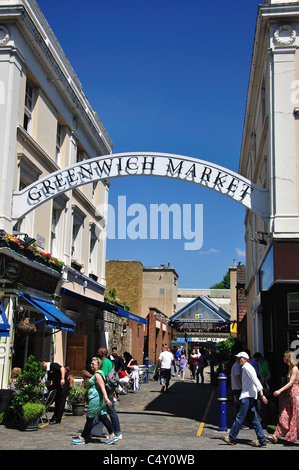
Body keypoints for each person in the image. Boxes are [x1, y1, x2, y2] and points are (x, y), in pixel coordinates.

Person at [221, 351, 268, 447]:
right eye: (238, 358)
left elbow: (256, 380)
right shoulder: (246, 367)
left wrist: (262, 395)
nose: (239, 360)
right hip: (249, 396)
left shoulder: (247, 367)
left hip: (246, 396)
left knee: (239, 417)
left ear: (246, 359)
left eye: (240, 358)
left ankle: (231, 438)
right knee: (255, 419)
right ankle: (262, 440)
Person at [72, 357, 117, 445]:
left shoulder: (97, 374)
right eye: (91, 363)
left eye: (93, 364)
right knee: (103, 417)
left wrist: (107, 398)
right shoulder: (97, 374)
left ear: (98, 365)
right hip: (98, 399)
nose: (91, 365)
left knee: (90, 418)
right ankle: (112, 434)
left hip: (96, 399)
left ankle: (85, 437)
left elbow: (102, 387)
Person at [267, 350, 299, 444]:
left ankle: (292, 435)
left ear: (288, 358)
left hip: (295, 395)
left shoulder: (295, 369)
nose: (283, 358)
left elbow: (292, 382)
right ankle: (275, 435)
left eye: (284, 357)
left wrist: (280, 390)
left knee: (295, 416)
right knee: (284, 415)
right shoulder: (290, 368)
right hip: (290, 395)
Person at [97, 347, 122, 440]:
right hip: (109, 389)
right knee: (108, 410)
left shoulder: (105, 362)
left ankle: (117, 431)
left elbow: (102, 376)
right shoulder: (108, 361)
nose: (97, 352)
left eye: (98, 352)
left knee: (110, 410)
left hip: (106, 390)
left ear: (102, 353)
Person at [42, 360, 69, 424]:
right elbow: (49, 381)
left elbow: (62, 368)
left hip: (63, 384)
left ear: (43, 362)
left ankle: (57, 419)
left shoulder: (53, 365)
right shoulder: (48, 370)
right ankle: (55, 417)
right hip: (57, 385)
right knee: (57, 400)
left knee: (60, 401)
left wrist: (62, 378)